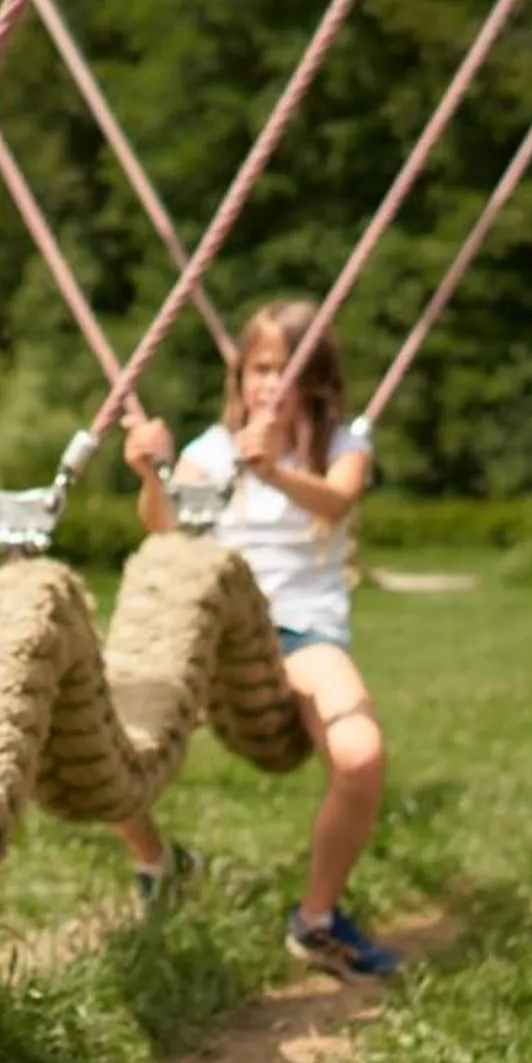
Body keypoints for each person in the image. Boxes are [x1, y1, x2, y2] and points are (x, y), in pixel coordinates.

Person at [116, 299, 400, 980]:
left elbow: (337, 501)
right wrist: (153, 473)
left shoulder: (344, 443)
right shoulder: (211, 451)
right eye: (259, 368)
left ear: (317, 378)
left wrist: (273, 468)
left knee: (360, 755)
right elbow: (164, 525)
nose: (269, 383)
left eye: (287, 369)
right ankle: (157, 861)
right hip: (220, 636)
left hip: (303, 635)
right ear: (239, 376)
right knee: (105, 737)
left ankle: (316, 919)